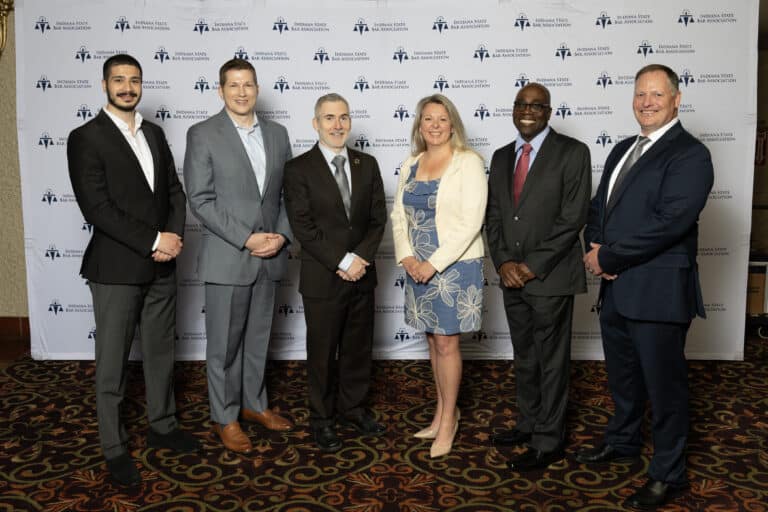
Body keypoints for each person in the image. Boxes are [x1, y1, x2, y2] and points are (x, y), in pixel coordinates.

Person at [578, 64, 714, 509]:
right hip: (616, 289)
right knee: (623, 377)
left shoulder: (690, 154)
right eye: (640, 94)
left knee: (665, 386)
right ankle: (622, 442)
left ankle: (668, 473)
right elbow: (599, 207)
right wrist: (595, 246)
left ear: (677, 99)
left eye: (657, 94)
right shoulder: (621, 149)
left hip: (657, 292)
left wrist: (610, 257)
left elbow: (669, 222)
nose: (647, 102)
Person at [67, 54, 199, 487]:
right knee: (112, 364)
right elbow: (97, 209)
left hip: (163, 265)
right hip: (116, 269)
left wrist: (173, 237)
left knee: (161, 354)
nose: (127, 87)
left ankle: (162, 426)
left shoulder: (155, 134)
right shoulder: (85, 137)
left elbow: (175, 194)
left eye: (134, 80)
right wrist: (152, 241)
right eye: (119, 80)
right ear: (104, 84)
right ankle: (114, 447)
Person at [183, 58, 294, 455]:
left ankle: (254, 404)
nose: (242, 92)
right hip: (230, 256)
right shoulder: (203, 134)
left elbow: (286, 195)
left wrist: (280, 236)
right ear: (220, 90)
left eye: (248, 84)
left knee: (259, 339)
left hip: (271, 256)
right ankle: (224, 416)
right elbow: (200, 199)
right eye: (233, 85)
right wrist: (247, 238)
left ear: (257, 88)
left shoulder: (278, 135)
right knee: (224, 346)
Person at [485, 83, 591, 470]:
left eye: (536, 106)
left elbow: (573, 218)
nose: (527, 111)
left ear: (548, 111)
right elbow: (494, 217)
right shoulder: (499, 158)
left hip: (550, 278)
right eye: (521, 104)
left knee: (551, 360)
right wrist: (503, 264)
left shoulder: (573, 153)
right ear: (513, 110)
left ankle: (550, 439)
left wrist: (530, 266)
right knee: (526, 357)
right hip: (511, 277)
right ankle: (529, 423)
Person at [283, 93, 387, 453]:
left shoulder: (367, 164)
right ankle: (322, 419)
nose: (337, 125)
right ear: (316, 123)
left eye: (343, 117)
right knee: (323, 352)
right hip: (324, 277)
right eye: (329, 118)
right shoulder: (297, 169)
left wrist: (360, 259)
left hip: (363, 273)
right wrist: (343, 261)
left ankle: (353, 409)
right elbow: (303, 226)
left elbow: (378, 220)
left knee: (358, 349)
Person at [391, 94, 487, 458]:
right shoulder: (411, 163)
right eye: (427, 119)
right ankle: (442, 411)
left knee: (448, 343)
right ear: (419, 125)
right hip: (416, 267)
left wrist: (433, 264)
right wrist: (407, 257)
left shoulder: (469, 163)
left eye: (441, 119)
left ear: (452, 124)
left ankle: (448, 421)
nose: (434, 125)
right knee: (432, 341)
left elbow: (470, 222)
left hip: (454, 267)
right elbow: (399, 216)